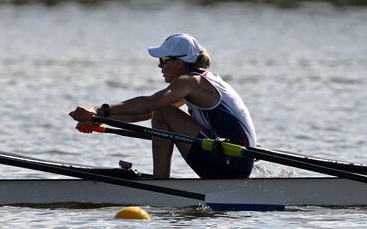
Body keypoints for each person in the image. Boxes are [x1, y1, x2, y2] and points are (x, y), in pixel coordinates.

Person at [70, 33, 257, 179]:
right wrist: (98, 119)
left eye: (163, 60)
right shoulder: (200, 84)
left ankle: (160, 183)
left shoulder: (191, 81)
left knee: (162, 109)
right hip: (231, 161)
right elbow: (145, 113)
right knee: (161, 112)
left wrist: (98, 109)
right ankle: (161, 181)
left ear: (178, 63)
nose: (159, 65)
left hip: (230, 163)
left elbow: (151, 103)